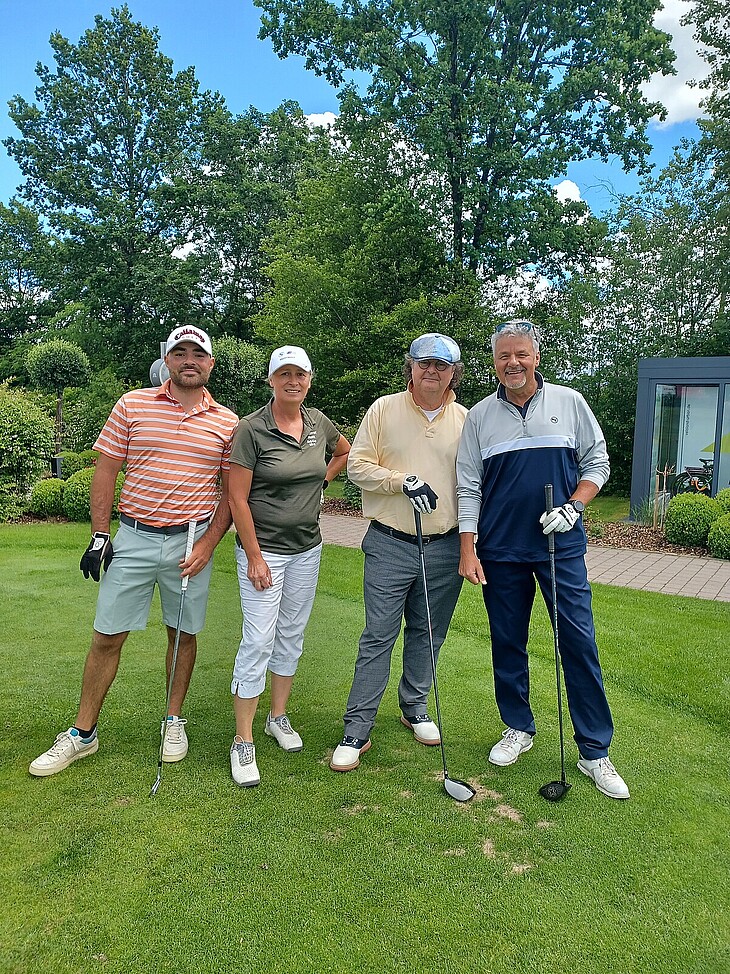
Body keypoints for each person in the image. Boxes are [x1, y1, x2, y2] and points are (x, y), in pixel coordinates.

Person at [30, 325, 238, 778]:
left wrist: (208, 544)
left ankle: (173, 720)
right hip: (135, 537)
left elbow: (231, 492)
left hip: (190, 542)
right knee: (107, 635)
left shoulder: (227, 422)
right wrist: (99, 535)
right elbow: (106, 470)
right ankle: (83, 733)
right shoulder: (132, 404)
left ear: (210, 363)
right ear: (167, 360)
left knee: (182, 635)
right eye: (179, 352)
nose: (188, 360)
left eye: (197, 353)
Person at [456, 319, 629, 799]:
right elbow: (468, 484)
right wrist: (468, 548)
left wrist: (574, 506)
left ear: (536, 357)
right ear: (495, 362)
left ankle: (594, 750)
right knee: (507, 642)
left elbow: (598, 462)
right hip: (500, 549)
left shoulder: (569, 402)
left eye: (521, 354)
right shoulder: (479, 416)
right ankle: (518, 727)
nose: (513, 363)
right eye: (504, 356)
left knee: (578, 642)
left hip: (561, 547)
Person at [330, 333, 467, 772]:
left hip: (444, 546)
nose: (432, 371)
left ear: (453, 373)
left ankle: (415, 707)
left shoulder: (466, 419)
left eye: (441, 366)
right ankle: (357, 728)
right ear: (410, 366)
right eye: (424, 363)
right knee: (378, 635)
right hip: (390, 543)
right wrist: (400, 481)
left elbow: (475, 483)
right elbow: (356, 466)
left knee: (429, 632)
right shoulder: (384, 408)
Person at [228, 345, 350, 787]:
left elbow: (344, 451)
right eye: (284, 374)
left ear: (309, 380)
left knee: (291, 634)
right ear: (271, 380)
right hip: (264, 552)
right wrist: (254, 555)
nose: (292, 381)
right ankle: (242, 740)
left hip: (307, 549)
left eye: (300, 374)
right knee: (258, 639)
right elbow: (236, 496)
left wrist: (323, 479)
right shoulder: (251, 428)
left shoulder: (318, 423)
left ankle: (277, 717)